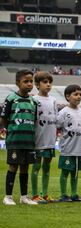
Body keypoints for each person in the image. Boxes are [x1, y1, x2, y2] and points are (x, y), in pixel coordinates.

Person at [1, 69, 38, 205]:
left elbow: (34, 120)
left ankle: (24, 197)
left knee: (25, 167)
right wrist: (12, 130)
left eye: (31, 81)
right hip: (15, 140)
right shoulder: (11, 99)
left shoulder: (33, 101)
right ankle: (8, 197)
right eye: (26, 81)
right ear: (18, 83)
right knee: (13, 166)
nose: (29, 84)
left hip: (29, 141)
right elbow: (3, 119)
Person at [57, 85, 81, 202]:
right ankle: (63, 194)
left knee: (75, 173)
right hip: (67, 147)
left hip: (78, 148)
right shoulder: (63, 112)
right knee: (65, 171)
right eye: (75, 94)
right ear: (67, 97)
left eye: (80, 94)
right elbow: (57, 126)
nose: (78, 96)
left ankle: (74, 194)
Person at [31, 71, 57, 203]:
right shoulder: (34, 100)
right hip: (38, 139)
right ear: (37, 84)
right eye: (45, 82)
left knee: (47, 167)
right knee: (36, 167)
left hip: (50, 139)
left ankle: (45, 193)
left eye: (50, 82)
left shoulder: (53, 100)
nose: (48, 85)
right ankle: (35, 195)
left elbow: (55, 119)